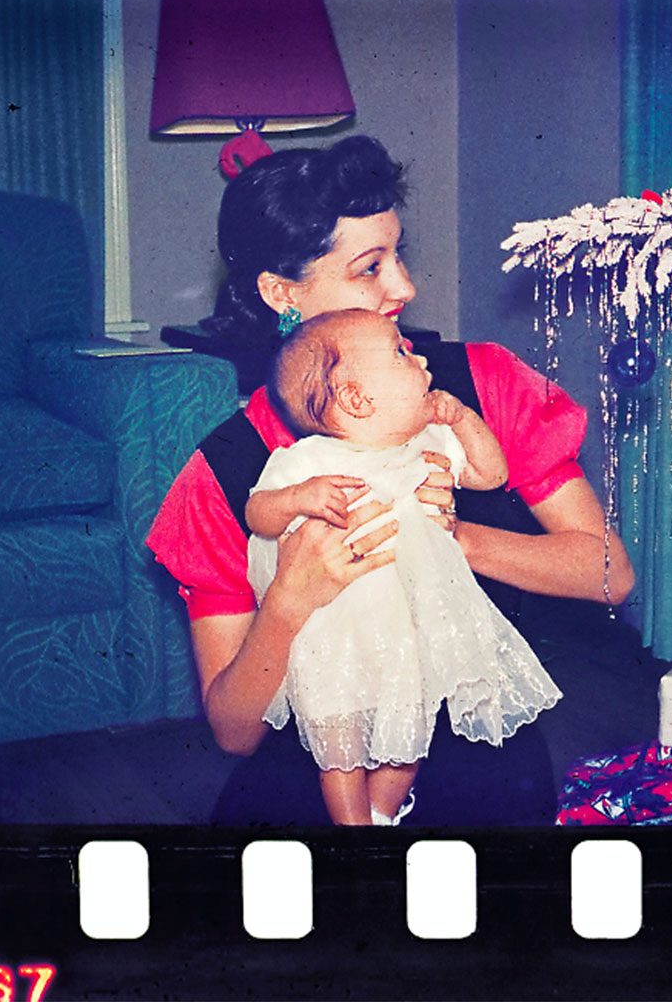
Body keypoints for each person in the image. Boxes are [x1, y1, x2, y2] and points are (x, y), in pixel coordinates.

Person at [147, 133, 636, 826]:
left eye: (398, 254)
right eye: (369, 267)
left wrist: (454, 538)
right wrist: (288, 600)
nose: (404, 286)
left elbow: (611, 574)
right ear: (282, 292)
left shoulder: (473, 389)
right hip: (321, 773)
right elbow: (233, 730)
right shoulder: (228, 470)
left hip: (475, 752)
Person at [245, 309, 561, 825]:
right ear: (357, 398)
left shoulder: (428, 444)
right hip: (337, 631)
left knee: (409, 737)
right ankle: (352, 828)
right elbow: (258, 512)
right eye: (400, 352)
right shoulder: (309, 458)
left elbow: (491, 473)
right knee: (340, 742)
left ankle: (382, 816)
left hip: (411, 629)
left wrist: (461, 418)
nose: (420, 358)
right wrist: (300, 497)